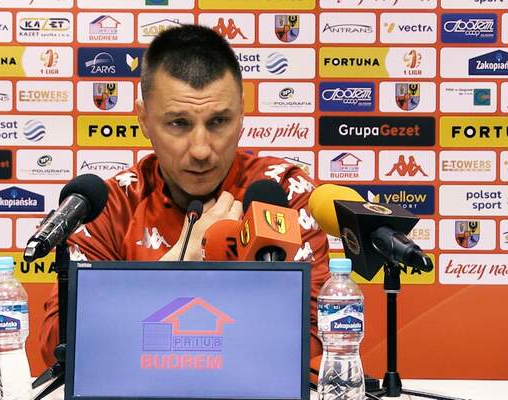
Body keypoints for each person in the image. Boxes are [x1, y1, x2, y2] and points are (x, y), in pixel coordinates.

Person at [40, 24, 330, 366]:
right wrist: (175, 269)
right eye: (178, 123)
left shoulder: (283, 194)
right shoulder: (109, 205)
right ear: (144, 119)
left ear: (241, 114)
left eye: (218, 121)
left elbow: (317, 341)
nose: (201, 150)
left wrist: (142, 324)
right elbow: (61, 347)